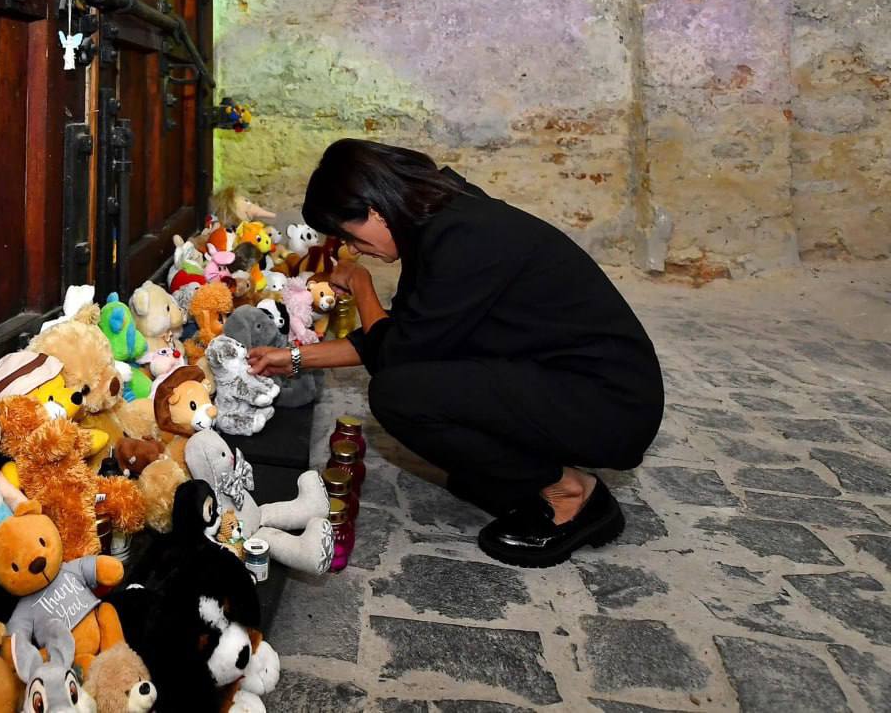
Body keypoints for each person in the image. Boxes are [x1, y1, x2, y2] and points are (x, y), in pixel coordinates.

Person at [248, 139, 664, 568]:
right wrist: (292, 358)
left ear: (375, 211)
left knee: (399, 395)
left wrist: (361, 285)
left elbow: (398, 356)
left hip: (610, 405)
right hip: (568, 380)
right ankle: (522, 476)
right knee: (434, 398)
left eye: (348, 236)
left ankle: (571, 493)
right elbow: (404, 331)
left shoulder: (465, 236)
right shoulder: (436, 222)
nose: (352, 250)